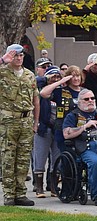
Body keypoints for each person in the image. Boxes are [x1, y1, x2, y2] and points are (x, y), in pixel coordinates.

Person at [1, 44, 39, 206]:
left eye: (21, 55)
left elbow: (35, 100)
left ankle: (20, 193)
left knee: (23, 159)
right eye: (15, 55)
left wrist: (36, 122)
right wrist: (3, 60)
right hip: (9, 121)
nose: (18, 58)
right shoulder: (3, 73)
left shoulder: (29, 75)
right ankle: (9, 194)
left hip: (26, 120)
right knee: (8, 158)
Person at [32, 66, 63, 197]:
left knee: (56, 159)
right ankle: (39, 187)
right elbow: (36, 81)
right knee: (40, 157)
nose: (55, 79)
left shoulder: (61, 92)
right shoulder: (41, 89)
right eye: (53, 77)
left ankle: (53, 187)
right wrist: (46, 78)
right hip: (43, 127)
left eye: (58, 77)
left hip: (57, 128)